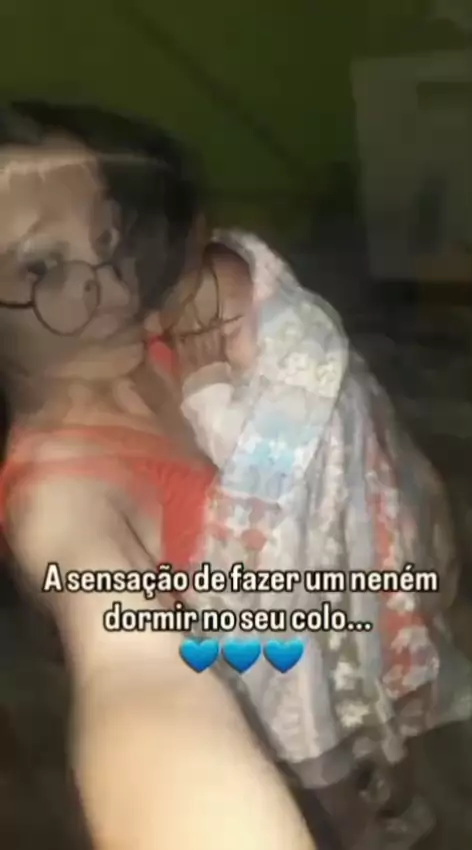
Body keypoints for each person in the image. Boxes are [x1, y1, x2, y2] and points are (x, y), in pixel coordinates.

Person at [0, 103, 317, 850]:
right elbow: (133, 672)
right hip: (262, 711)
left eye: (107, 238)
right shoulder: (62, 493)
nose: (115, 289)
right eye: (41, 267)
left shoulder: (157, 340)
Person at [153, 228, 472, 849]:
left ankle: (372, 821)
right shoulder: (281, 317)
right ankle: (394, 795)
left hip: (323, 580)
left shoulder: (298, 372)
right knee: (366, 694)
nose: (207, 346)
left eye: (222, 329)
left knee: (318, 707)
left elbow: (257, 463)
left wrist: (204, 389)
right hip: (349, 571)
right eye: (192, 336)